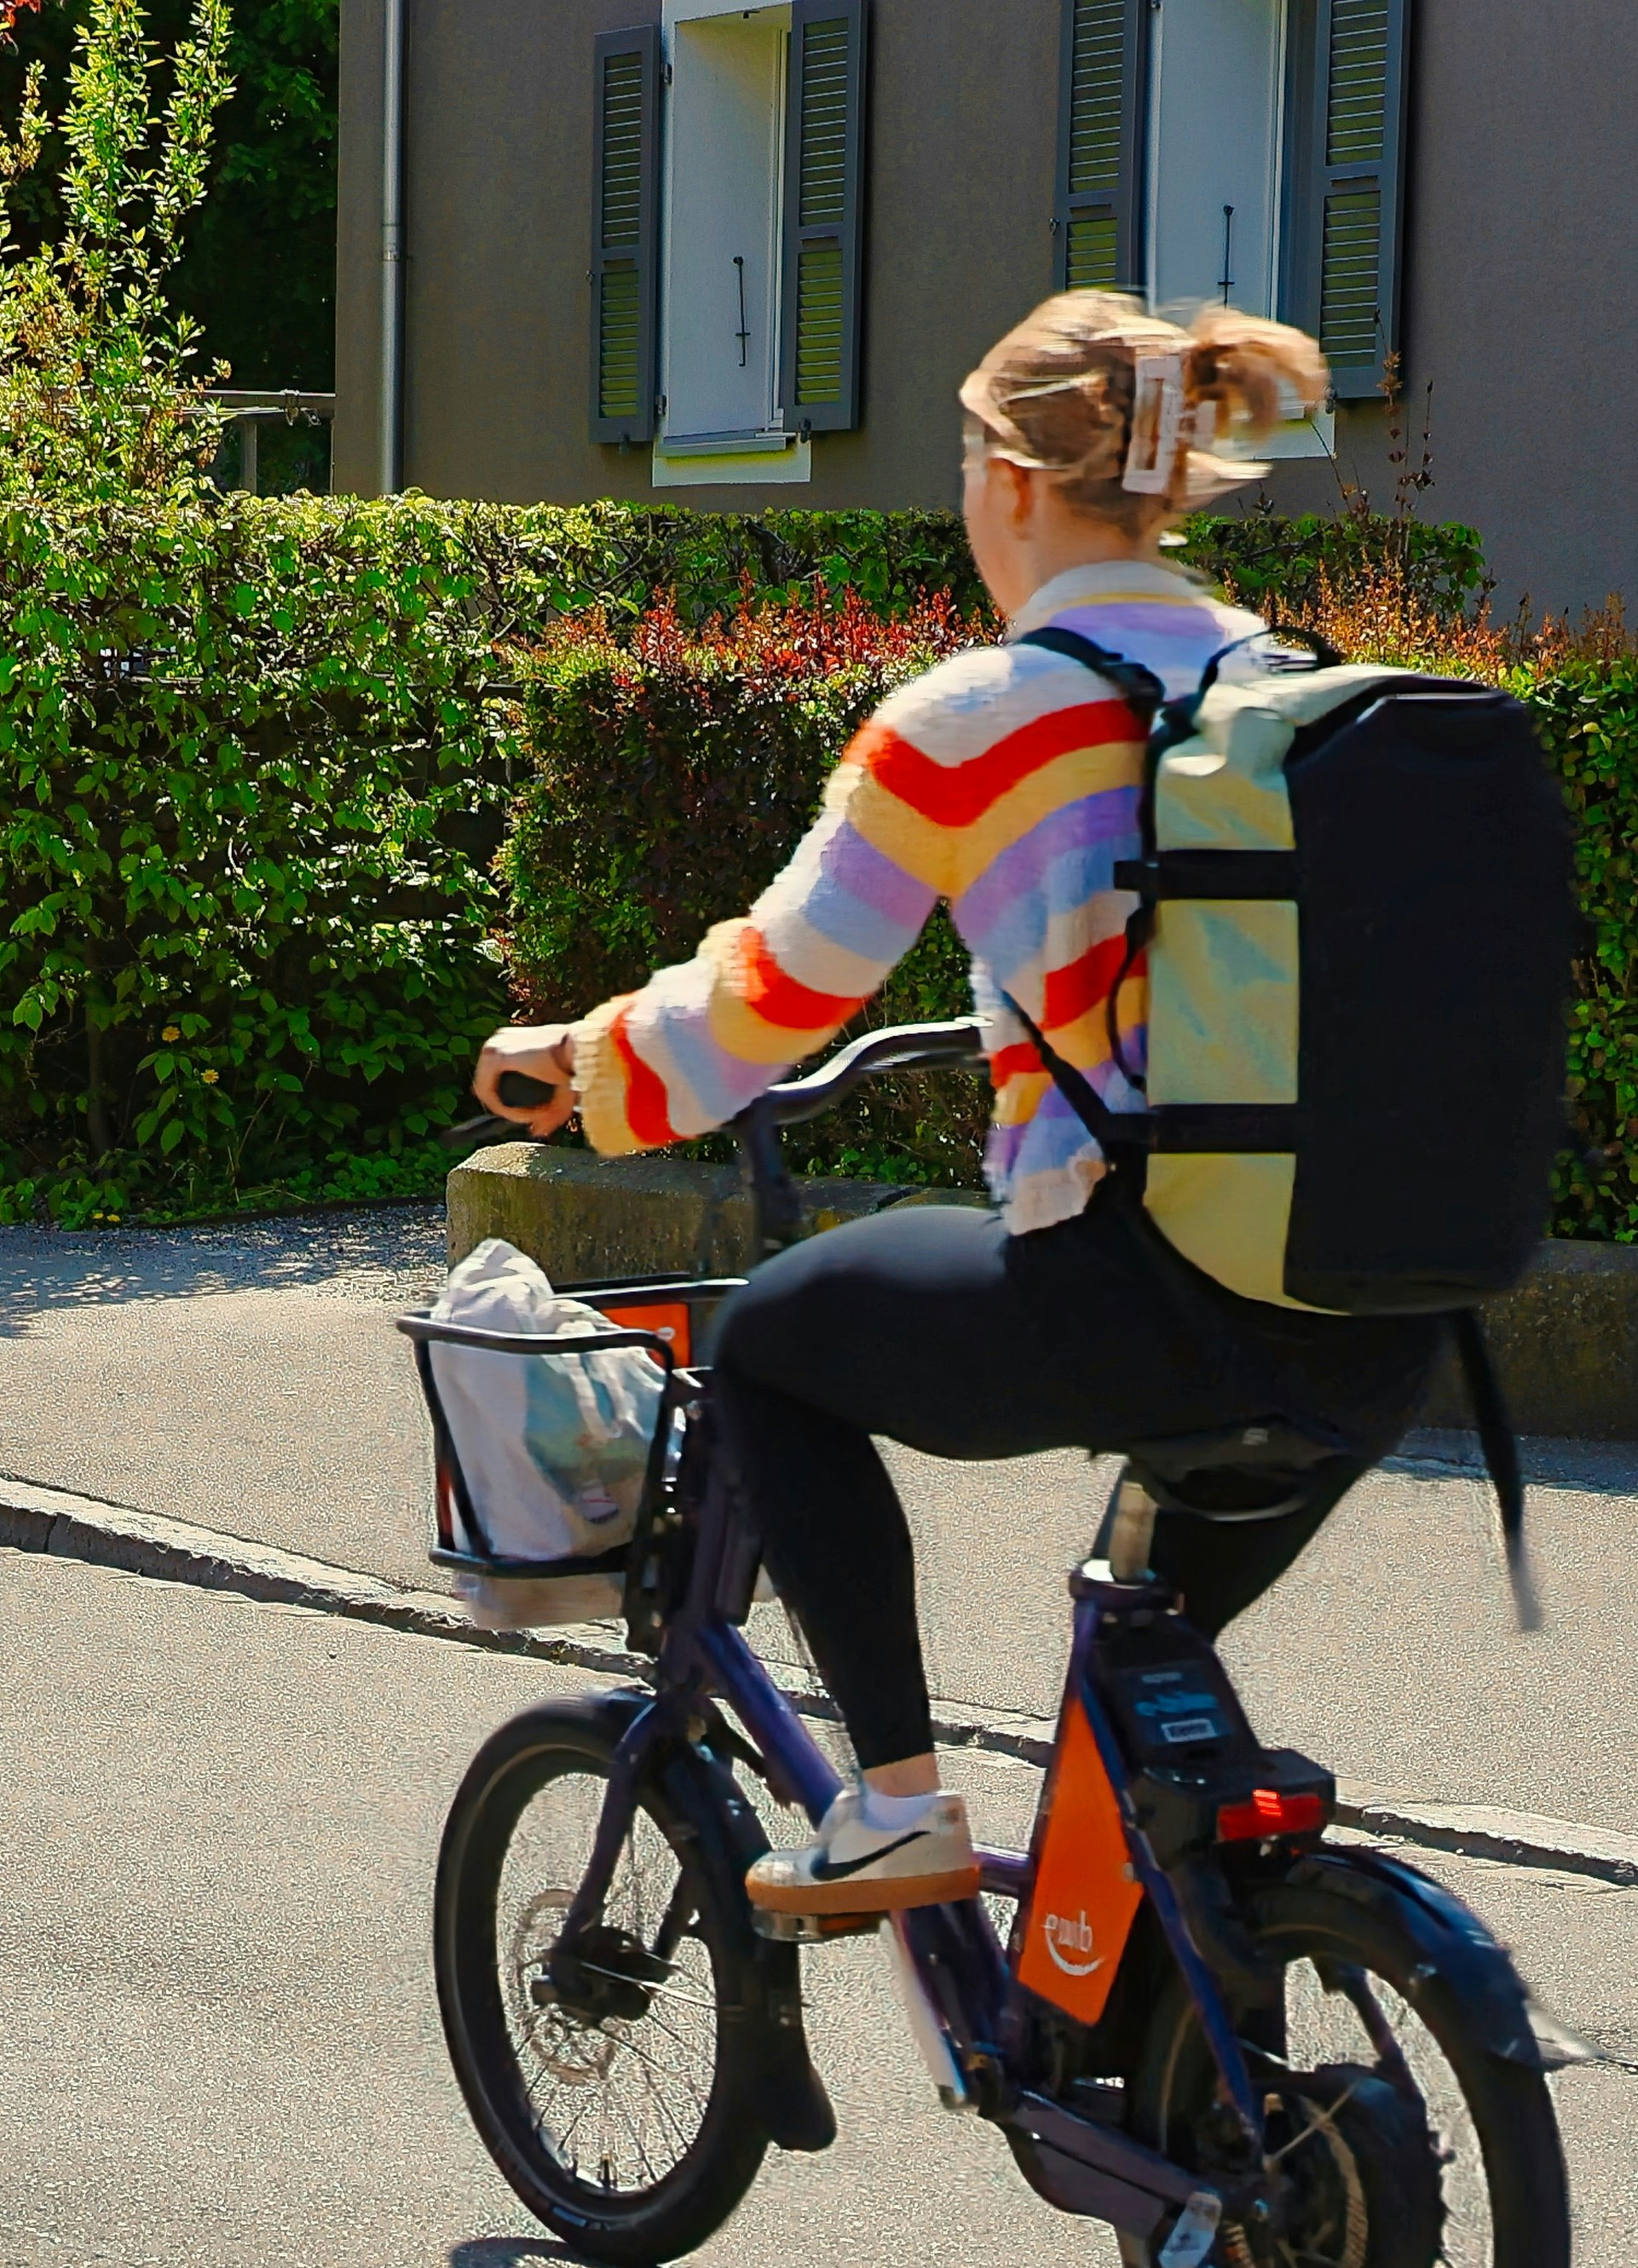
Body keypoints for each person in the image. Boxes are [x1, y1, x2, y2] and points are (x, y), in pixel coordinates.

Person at [471, 291, 1450, 1918]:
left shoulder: (976, 719)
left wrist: (584, 1071)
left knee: (773, 1342)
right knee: (1142, 1719)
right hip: (1376, 1313)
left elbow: (767, 1004)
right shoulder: (1301, 693)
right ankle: (1195, 2089)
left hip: (1136, 1293)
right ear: (1167, 483)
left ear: (1008, 480)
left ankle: (897, 1803)